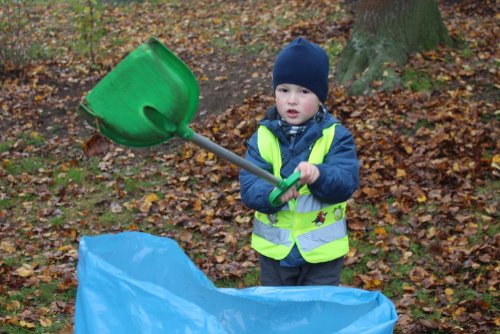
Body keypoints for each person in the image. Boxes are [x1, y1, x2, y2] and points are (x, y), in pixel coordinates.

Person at [239, 37, 359, 286]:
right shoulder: (262, 137)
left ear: (320, 97)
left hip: (322, 254)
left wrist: (318, 174)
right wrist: (273, 194)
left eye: (303, 91)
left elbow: (346, 182)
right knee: (279, 316)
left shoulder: (335, 136)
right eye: (284, 90)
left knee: (317, 317)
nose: (292, 100)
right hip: (275, 252)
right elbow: (250, 187)